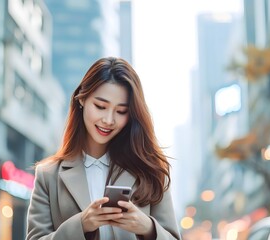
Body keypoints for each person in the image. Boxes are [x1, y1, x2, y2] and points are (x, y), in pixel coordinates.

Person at [26, 57, 181, 240]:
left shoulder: (151, 170)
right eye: (100, 106)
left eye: (121, 111)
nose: (108, 120)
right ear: (81, 100)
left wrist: (148, 228)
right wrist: (81, 224)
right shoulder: (48, 175)